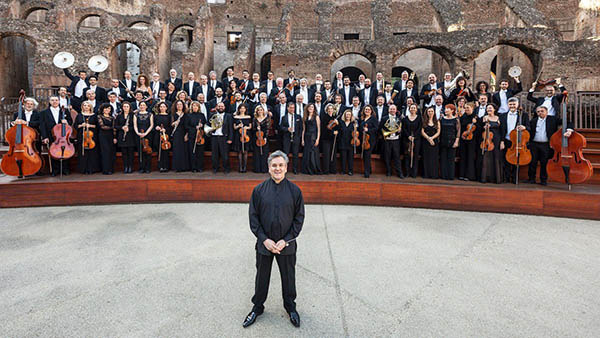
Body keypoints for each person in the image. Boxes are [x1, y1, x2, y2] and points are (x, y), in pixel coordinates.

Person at [245, 150, 305, 329]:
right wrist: (264, 240)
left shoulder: (295, 191)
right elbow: (253, 218)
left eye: (281, 165)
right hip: (265, 245)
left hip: (286, 245)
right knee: (261, 277)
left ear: (286, 168)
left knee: (288, 278)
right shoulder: (258, 190)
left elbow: (298, 219)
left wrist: (285, 240)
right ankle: (257, 307)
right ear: (269, 168)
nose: (277, 168)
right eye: (274, 165)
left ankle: (290, 307)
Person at [527, 106, 574, 186]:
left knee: (544, 162)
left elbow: (568, 122)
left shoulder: (552, 119)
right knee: (532, 162)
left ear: (547, 112)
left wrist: (569, 130)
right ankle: (531, 179)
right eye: (538, 111)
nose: (540, 113)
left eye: (542, 111)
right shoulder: (533, 121)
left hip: (546, 144)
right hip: (534, 144)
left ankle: (543, 180)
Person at [499, 97, 530, 183]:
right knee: (506, 159)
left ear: (517, 105)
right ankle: (507, 177)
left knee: (517, 160)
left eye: (514, 104)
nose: (512, 106)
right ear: (508, 105)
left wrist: (524, 127)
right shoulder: (502, 116)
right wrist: (501, 141)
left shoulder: (523, 115)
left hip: (518, 141)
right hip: (507, 140)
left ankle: (515, 178)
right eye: (510, 104)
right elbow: (501, 130)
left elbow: (529, 127)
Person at [40, 96, 73, 176]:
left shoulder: (64, 111)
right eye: (52, 100)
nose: (54, 102)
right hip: (51, 135)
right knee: (53, 152)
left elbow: (71, 121)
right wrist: (44, 137)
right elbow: (42, 125)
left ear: (59, 101)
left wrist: (66, 122)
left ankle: (65, 169)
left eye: (56, 100)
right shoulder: (44, 112)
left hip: (63, 135)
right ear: (49, 101)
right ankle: (55, 170)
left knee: (65, 151)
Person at [74, 101, 100, 174]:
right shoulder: (79, 115)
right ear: (82, 107)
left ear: (90, 107)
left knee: (92, 153)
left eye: (88, 105)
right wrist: (81, 125)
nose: (86, 107)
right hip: (82, 136)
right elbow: (75, 126)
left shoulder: (94, 115)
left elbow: (98, 126)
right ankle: (83, 169)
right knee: (82, 153)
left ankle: (92, 169)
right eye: (84, 105)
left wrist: (90, 126)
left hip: (92, 137)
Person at [479, 104, 503, 183]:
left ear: (494, 109)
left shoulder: (498, 118)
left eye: (490, 108)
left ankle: (496, 178)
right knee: (487, 158)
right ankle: (485, 178)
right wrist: (484, 127)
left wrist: (502, 141)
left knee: (496, 157)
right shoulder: (484, 118)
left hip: (496, 139)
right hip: (487, 140)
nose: (488, 109)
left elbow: (502, 130)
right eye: (487, 108)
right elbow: (480, 128)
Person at [207, 102, 233, 173]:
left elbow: (230, 128)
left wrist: (230, 138)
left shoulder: (228, 116)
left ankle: (226, 169)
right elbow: (208, 125)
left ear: (224, 107)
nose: (221, 107)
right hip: (214, 137)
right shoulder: (212, 115)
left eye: (222, 106)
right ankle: (215, 168)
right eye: (219, 106)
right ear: (217, 107)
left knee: (225, 155)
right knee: (214, 155)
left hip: (224, 137)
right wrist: (210, 131)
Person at [380, 104, 403, 178]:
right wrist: (384, 134)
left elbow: (401, 129)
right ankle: (388, 171)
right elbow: (381, 128)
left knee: (397, 157)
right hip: (387, 140)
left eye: (393, 109)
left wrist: (399, 131)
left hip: (396, 140)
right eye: (391, 109)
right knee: (387, 157)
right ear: (388, 110)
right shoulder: (384, 118)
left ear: (396, 110)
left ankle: (399, 173)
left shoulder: (399, 119)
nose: (392, 110)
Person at [280, 102, 303, 174]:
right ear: (287, 108)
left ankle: (295, 169)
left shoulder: (298, 117)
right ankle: (285, 169)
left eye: (293, 108)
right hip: (287, 138)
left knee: (295, 154)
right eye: (291, 108)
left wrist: (298, 137)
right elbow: (281, 127)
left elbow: (301, 128)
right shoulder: (284, 117)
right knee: (286, 154)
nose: (292, 109)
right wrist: (287, 129)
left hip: (296, 138)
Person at [439, 104, 460, 180]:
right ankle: (443, 175)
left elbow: (458, 131)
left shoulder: (456, 119)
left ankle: (450, 176)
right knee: (443, 158)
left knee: (451, 159)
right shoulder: (442, 118)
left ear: (452, 110)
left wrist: (456, 141)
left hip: (452, 140)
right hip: (443, 140)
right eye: (445, 108)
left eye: (448, 109)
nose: (446, 110)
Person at [458, 102, 478, 181]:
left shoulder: (475, 118)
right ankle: (462, 174)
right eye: (465, 108)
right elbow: (460, 127)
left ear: (472, 109)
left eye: (468, 108)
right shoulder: (463, 116)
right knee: (463, 157)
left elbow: (478, 129)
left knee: (470, 157)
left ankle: (469, 175)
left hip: (472, 140)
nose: (466, 109)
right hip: (463, 139)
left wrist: (475, 123)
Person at [402, 103, 422, 178]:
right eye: (411, 108)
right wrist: (408, 136)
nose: (412, 109)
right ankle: (407, 172)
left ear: (416, 109)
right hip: (407, 139)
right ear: (409, 109)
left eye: (414, 108)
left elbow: (419, 128)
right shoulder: (405, 118)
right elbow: (404, 129)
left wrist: (414, 136)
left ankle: (414, 173)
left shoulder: (419, 118)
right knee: (407, 156)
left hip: (416, 140)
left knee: (415, 156)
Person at [187, 101, 207, 173]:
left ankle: (200, 167)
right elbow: (187, 126)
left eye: (196, 106)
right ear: (191, 107)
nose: (195, 107)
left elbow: (205, 123)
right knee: (193, 151)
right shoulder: (188, 115)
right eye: (193, 106)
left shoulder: (202, 115)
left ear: (198, 107)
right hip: (192, 135)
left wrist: (201, 125)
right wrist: (195, 127)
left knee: (200, 152)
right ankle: (193, 167)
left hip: (200, 136)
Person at [115, 101, 136, 173]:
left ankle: (130, 167)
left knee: (130, 153)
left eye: (127, 106)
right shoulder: (119, 116)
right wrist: (122, 128)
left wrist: (129, 128)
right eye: (124, 106)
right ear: (122, 107)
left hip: (131, 136)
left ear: (129, 107)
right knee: (124, 153)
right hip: (122, 136)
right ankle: (125, 167)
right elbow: (116, 126)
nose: (125, 108)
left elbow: (135, 126)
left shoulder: (133, 116)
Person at [133, 101, 154, 173]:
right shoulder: (136, 115)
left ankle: (148, 168)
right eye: (141, 105)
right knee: (140, 152)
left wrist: (146, 133)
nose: (142, 106)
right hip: (138, 134)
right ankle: (141, 167)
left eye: (143, 105)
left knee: (148, 151)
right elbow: (135, 125)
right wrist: (137, 133)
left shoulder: (150, 114)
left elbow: (151, 125)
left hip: (148, 134)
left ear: (146, 106)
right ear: (139, 106)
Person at [301, 103, 321, 175]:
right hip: (307, 136)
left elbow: (318, 129)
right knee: (307, 153)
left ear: (314, 108)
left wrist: (317, 139)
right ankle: (307, 169)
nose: (311, 108)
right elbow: (304, 129)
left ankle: (314, 169)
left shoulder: (316, 117)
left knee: (313, 153)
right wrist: (302, 139)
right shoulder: (305, 117)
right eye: (309, 107)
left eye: (312, 107)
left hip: (313, 137)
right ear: (307, 108)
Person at [171, 100, 190, 172]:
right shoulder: (173, 114)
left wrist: (186, 135)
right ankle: (177, 167)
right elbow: (171, 124)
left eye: (181, 104)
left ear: (183, 106)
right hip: (176, 133)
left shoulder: (185, 115)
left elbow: (187, 126)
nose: (179, 106)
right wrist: (174, 123)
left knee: (184, 150)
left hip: (184, 133)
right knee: (177, 150)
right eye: (178, 105)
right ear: (176, 106)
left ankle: (184, 167)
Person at [421, 106, 440, 179]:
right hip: (426, 141)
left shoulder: (437, 121)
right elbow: (422, 131)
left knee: (433, 158)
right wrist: (428, 138)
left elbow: (438, 132)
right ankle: (426, 174)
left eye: (432, 111)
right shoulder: (424, 121)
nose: (430, 113)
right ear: (427, 112)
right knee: (426, 158)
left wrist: (432, 138)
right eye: (429, 111)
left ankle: (433, 174)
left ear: (434, 112)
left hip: (434, 141)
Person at [97, 103, 116, 175]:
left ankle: (110, 169)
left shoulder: (112, 118)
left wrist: (114, 137)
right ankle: (105, 170)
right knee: (105, 152)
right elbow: (102, 126)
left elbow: (114, 129)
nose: (107, 110)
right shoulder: (99, 117)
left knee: (111, 152)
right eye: (105, 108)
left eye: (109, 109)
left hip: (110, 136)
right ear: (102, 110)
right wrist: (112, 128)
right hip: (103, 136)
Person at [320, 103, 339, 174]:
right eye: (329, 109)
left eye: (331, 109)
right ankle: (326, 170)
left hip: (333, 139)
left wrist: (337, 124)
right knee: (326, 155)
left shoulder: (335, 118)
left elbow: (338, 129)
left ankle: (333, 169)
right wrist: (332, 132)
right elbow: (324, 129)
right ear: (327, 110)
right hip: (326, 139)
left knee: (333, 154)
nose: (330, 110)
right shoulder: (324, 117)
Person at [232, 104, 252, 172]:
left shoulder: (248, 117)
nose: (242, 110)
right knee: (240, 151)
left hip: (246, 135)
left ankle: (245, 167)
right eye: (241, 108)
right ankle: (240, 167)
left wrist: (246, 127)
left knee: (245, 151)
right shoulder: (236, 117)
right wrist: (238, 126)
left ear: (245, 109)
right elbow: (234, 127)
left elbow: (250, 126)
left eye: (243, 108)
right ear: (239, 109)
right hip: (238, 135)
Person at [360, 105, 378, 178]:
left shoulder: (373, 118)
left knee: (367, 155)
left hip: (370, 140)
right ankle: (369, 169)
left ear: (371, 111)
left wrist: (368, 130)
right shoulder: (362, 119)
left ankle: (366, 172)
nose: (367, 111)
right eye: (366, 109)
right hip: (363, 139)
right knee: (365, 155)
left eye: (368, 110)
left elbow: (376, 128)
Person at [154, 102, 172, 172]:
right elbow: (154, 125)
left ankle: (166, 166)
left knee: (166, 151)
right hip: (158, 135)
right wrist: (157, 127)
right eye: (161, 107)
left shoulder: (169, 116)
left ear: (166, 108)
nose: (162, 108)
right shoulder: (156, 116)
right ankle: (161, 166)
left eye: (164, 106)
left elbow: (170, 127)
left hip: (166, 136)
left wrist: (165, 129)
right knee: (160, 151)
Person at [253, 105, 270, 173]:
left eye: (261, 110)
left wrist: (265, 138)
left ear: (263, 111)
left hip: (264, 138)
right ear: (257, 111)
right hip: (257, 138)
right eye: (258, 110)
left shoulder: (266, 119)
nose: (260, 111)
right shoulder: (255, 119)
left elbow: (267, 129)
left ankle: (264, 169)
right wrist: (256, 129)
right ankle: (257, 169)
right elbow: (253, 129)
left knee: (264, 153)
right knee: (257, 153)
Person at [338, 109, 356, 175]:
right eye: (347, 114)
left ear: (351, 116)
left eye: (349, 114)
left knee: (350, 158)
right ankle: (343, 170)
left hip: (350, 142)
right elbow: (339, 132)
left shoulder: (353, 123)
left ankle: (350, 171)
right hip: (342, 142)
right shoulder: (341, 122)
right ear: (344, 115)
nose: (348, 116)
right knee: (343, 157)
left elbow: (356, 133)